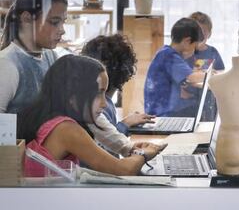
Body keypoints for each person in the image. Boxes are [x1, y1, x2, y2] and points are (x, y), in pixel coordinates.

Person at [18, 55, 165, 177]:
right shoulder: (66, 129)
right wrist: (144, 153)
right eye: (98, 93)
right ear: (73, 95)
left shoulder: (48, 119)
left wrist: (132, 150)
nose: (104, 104)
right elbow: (124, 170)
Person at [81, 34, 156, 156]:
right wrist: (124, 125)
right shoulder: (99, 105)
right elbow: (106, 150)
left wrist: (125, 123)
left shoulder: (90, 100)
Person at [0, 0, 67, 113]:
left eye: (63, 22)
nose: (62, 30)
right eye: (54, 22)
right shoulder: (7, 65)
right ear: (27, 18)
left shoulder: (51, 57)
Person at [144, 17, 206, 117]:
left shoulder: (165, 52)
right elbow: (191, 77)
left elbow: (186, 76)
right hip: (163, 114)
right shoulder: (170, 56)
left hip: (159, 109)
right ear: (187, 41)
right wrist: (211, 74)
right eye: (194, 46)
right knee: (202, 109)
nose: (194, 51)